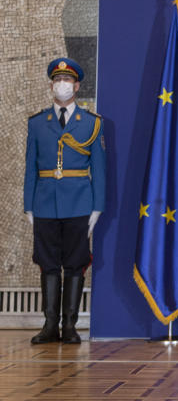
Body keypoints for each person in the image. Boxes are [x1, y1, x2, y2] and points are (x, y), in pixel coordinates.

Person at [23, 58, 104, 344]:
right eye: (57, 81)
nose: (62, 85)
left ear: (77, 86)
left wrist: (97, 206)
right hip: (45, 202)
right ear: (51, 85)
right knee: (47, 263)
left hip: (79, 203)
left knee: (74, 263)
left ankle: (69, 325)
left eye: (67, 81)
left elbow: (99, 167)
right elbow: (30, 166)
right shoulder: (37, 123)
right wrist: (28, 206)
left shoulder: (91, 123)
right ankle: (49, 326)